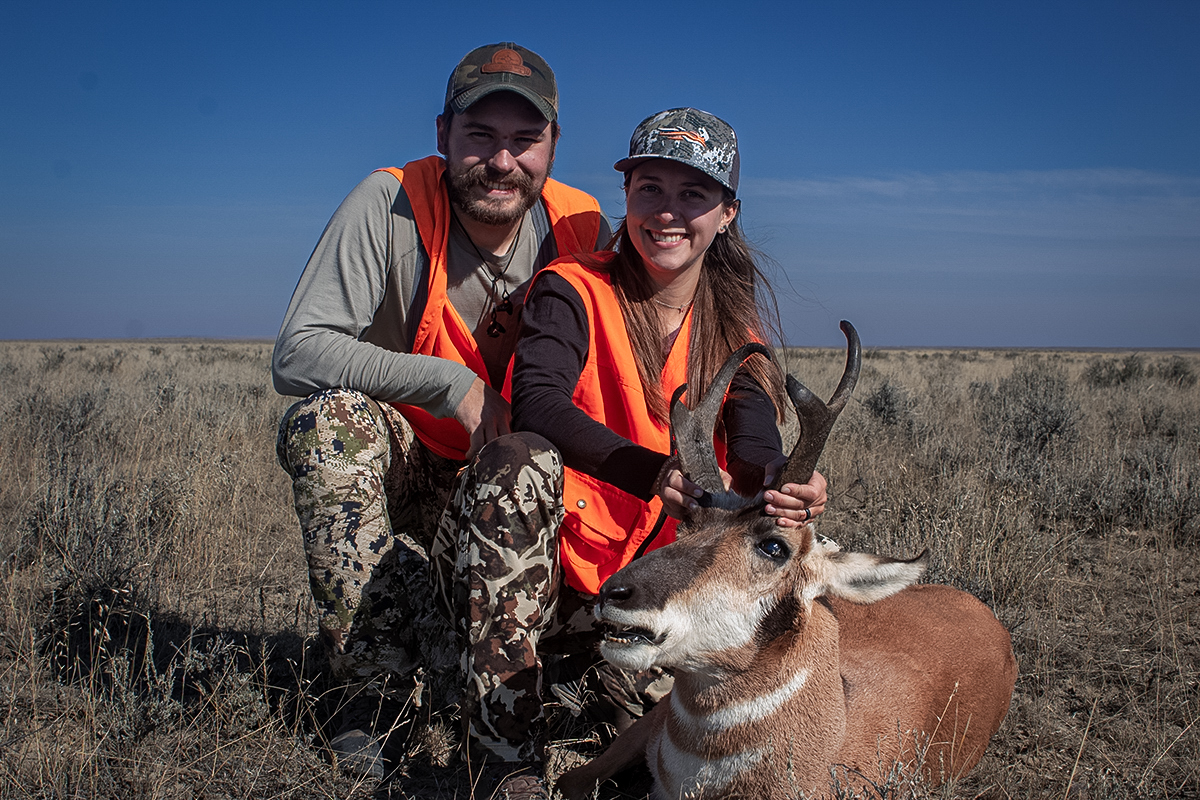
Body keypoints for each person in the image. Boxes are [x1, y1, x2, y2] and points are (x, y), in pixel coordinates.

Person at [442, 107, 829, 799]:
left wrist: (781, 483)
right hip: (536, 574)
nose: (667, 213)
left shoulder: (732, 326)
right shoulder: (572, 288)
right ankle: (504, 761)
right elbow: (539, 403)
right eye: (650, 189)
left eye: (692, 195)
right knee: (516, 461)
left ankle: (589, 680)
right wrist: (653, 473)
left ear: (727, 213)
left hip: (642, 593)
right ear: (626, 195)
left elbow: (752, 440)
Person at [270, 42, 609, 784]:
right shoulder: (388, 202)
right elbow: (296, 354)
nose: (503, 160)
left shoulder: (584, 227)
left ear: (553, 145)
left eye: (525, 140)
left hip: (514, 487)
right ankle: (372, 692)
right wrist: (446, 384)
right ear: (442, 135)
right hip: (409, 460)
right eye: (480, 136)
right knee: (329, 426)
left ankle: (483, 662)